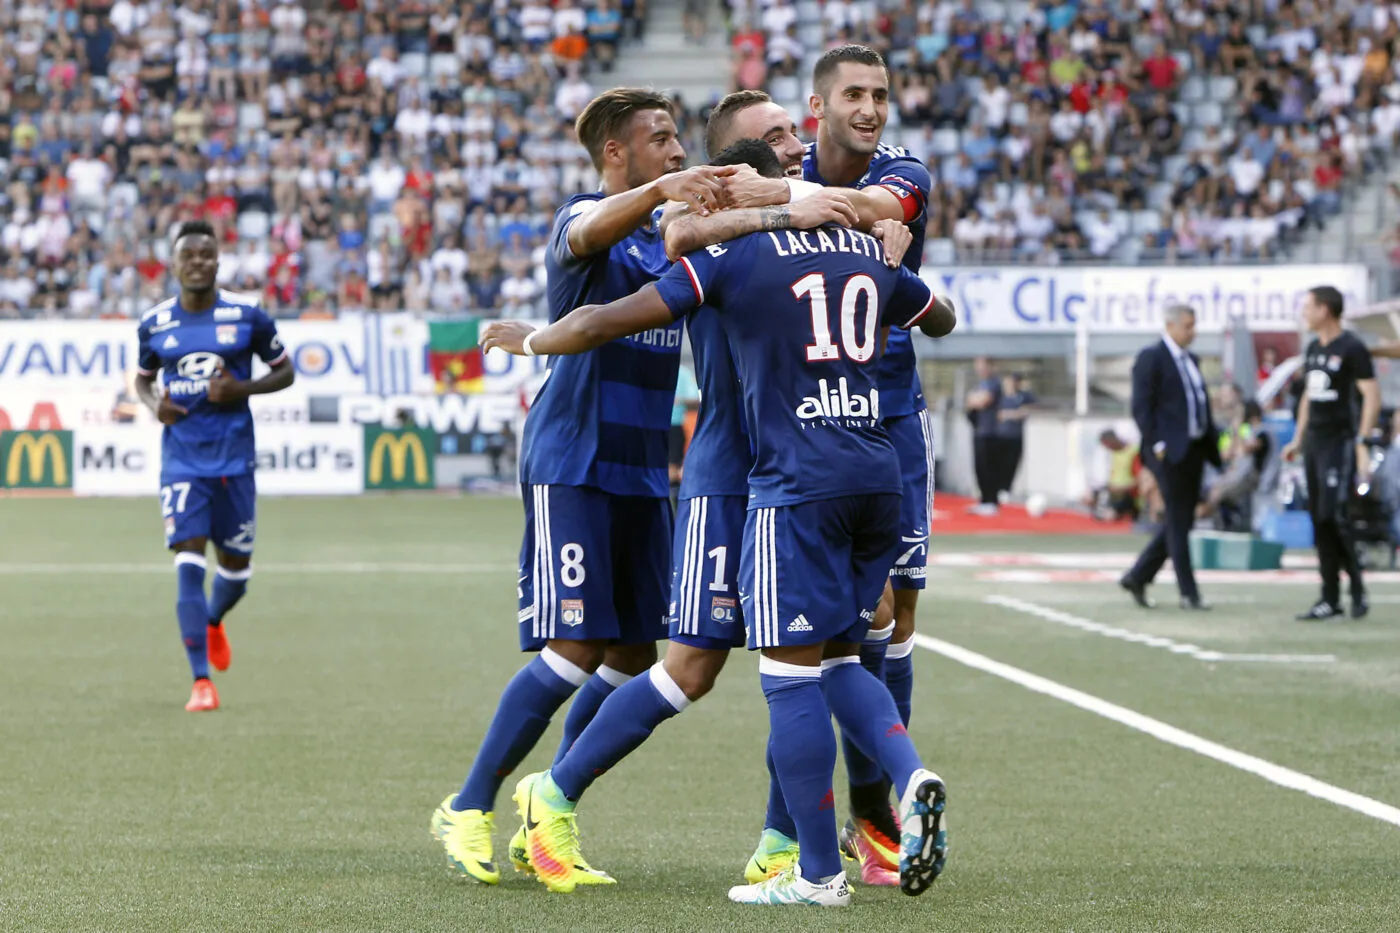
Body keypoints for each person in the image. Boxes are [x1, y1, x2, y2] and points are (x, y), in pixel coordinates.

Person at [482, 139, 955, 907]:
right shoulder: (765, 236)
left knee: (806, 666)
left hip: (786, 478)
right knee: (706, 666)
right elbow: (936, 313)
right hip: (742, 478)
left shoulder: (748, 251)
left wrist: (529, 338)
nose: (788, 155)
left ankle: (801, 854)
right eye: (770, 145)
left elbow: (611, 314)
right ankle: (557, 791)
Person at [429, 88, 742, 889]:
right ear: (617, 153)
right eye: (661, 140)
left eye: (677, 140)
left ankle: (547, 812)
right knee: (572, 647)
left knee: (633, 654)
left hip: (644, 469)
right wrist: (659, 192)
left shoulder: (671, 244)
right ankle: (467, 803)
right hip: (573, 459)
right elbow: (588, 226)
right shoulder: (586, 224)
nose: (677, 152)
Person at [660, 53, 941, 884]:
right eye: (854, 95)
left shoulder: (900, 172)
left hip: (887, 413)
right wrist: (775, 202)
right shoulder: (784, 165)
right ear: (817, 106)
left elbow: (883, 208)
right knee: (810, 646)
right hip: (799, 426)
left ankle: (874, 822)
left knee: (890, 619)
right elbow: (682, 234)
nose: (871, 110)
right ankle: (810, 835)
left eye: (882, 95)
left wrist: (796, 205)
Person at [133, 220, 296, 712]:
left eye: (207, 254)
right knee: (188, 561)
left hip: (234, 458)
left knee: (237, 571)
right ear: (174, 263)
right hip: (182, 459)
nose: (198, 262)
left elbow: (286, 371)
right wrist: (152, 405)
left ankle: (211, 621)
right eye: (189, 255)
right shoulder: (155, 323)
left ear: (217, 262)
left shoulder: (248, 316)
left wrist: (240, 390)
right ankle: (201, 682)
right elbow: (142, 380)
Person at [1281, 286, 1381, 620]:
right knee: (1318, 519)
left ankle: (1355, 588)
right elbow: (1309, 396)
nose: (1304, 313)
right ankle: (1329, 598)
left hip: (1340, 442)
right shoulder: (1311, 348)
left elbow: (1371, 394)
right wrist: (1297, 438)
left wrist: (1362, 439)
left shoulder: (1352, 347)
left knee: (1335, 516)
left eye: (1307, 306)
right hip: (1315, 443)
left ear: (1325, 309)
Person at [1119, 304, 1220, 611]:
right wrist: (1157, 446)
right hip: (1169, 452)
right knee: (1178, 520)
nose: (1193, 331)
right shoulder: (1152, 358)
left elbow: (1198, 405)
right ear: (1171, 325)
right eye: (1188, 325)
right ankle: (1188, 592)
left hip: (1193, 450)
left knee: (1181, 520)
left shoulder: (1191, 360)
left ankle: (1138, 575)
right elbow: (1142, 408)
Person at [965, 356, 1002, 516]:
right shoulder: (980, 385)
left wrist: (976, 399)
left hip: (990, 431)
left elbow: (982, 401)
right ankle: (983, 500)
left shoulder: (994, 383)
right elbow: (970, 400)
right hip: (979, 430)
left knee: (989, 467)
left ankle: (991, 501)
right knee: (979, 467)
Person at [993, 372, 1035, 501]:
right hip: (1000, 436)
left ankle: (1006, 489)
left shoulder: (1023, 397)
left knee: (1012, 464)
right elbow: (997, 414)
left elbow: (1032, 408)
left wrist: (1015, 414)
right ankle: (995, 489)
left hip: (1015, 436)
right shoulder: (1000, 397)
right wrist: (1014, 414)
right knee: (997, 464)